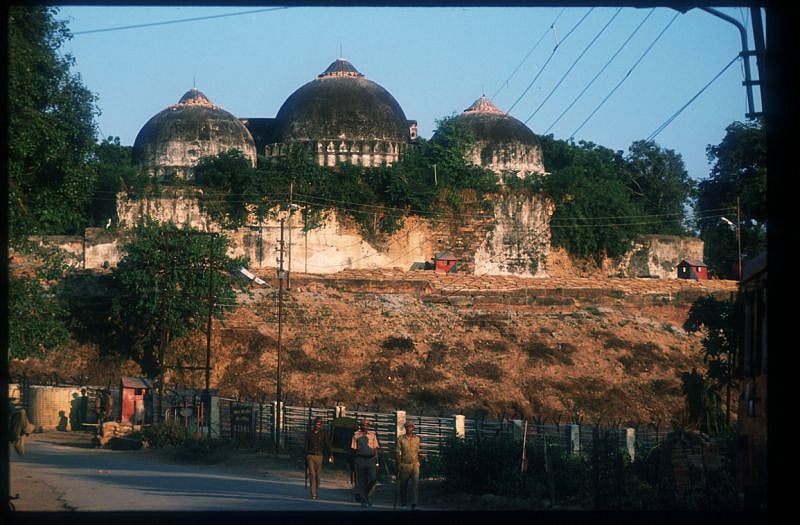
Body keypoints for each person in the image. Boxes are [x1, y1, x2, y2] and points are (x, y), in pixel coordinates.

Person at [351, 418, 380, 507]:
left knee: (373, 480)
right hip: (360, 459)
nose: (365, 427)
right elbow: (353, 450)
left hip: (371, 460)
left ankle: (367, 496)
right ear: (361, 426)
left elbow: (375, 449)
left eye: (366, 425)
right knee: (362, 481)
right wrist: (353, 463)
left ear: (368, 426)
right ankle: (364, 500)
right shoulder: (356, 436)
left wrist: (377, 462)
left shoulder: (372, 435)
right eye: (363, 425)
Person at [304, 417, 333, 500]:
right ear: (314, 424)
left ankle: (316, 492)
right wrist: (305, 456)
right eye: (316, 424)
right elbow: (306, 446)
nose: (318, 425)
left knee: (318, 476)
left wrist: (330, 454)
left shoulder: (323, 433)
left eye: (319, 424)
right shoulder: (309, 433)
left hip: (319, 456)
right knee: (312, 474)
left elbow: (327, 444)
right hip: (310, 456)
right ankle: (313, 493)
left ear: (321, 425)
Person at [396, 421, 422, 510]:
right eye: (407, 427)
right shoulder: (400, 439)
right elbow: (398, 452)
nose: (409, 429)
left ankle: (414, 503)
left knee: (415, 484)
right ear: (405, 428)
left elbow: (419, 451)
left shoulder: (417, 439)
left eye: (411, 427)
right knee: (403, 485)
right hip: (404, 464)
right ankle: (403, 503)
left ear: (413, 428)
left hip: (415, 464)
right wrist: (399, 464)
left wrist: (419, 463)